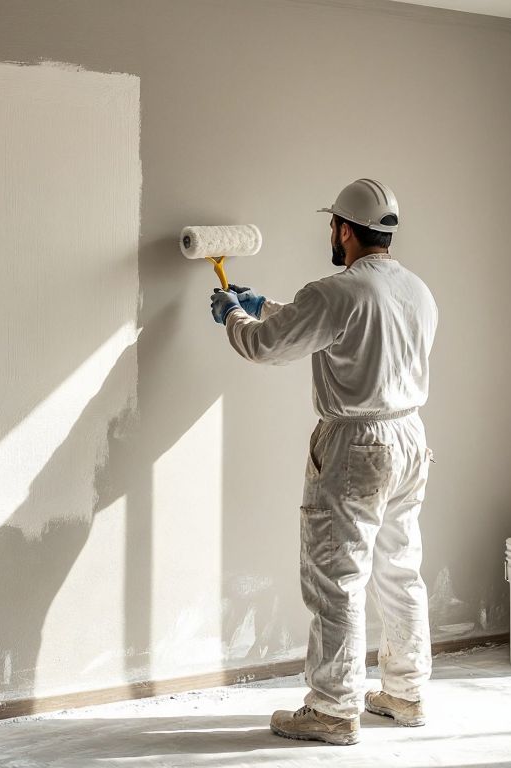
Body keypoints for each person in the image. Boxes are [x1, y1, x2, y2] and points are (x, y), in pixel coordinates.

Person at [209, 179, 438, 746]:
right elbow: (353, 333)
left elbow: (265, 346)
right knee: (399, 568)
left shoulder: (335, 291)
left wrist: (236, 316)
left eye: (331, 225)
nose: (329, 235)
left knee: (336, 575)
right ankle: (407, 694)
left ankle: (334, 709)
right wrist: (273, 308)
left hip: (357, 446)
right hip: (408, 436)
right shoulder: (417, 291)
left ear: (343, 228)